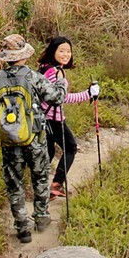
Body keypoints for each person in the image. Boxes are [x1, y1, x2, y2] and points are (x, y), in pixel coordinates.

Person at [0, 34, 64, 242]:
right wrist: (62, 83)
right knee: (40, 177)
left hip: (9, 141)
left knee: (14, 183)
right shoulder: (32, 76)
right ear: (23, 56)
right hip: (34, 137)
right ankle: (42, 218)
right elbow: (56, 98)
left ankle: (22, 227)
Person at [37, 36, 99, 200]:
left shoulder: (43, 68)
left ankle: (41, 189)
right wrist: (88, 94)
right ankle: (56, 185)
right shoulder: (55, 72)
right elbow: (61, 98)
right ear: (53, 51)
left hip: (42, 119)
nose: (66, 54)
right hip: (54, 119)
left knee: (49, 153)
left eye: (68, 51)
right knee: (71, 148)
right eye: (61, 50)